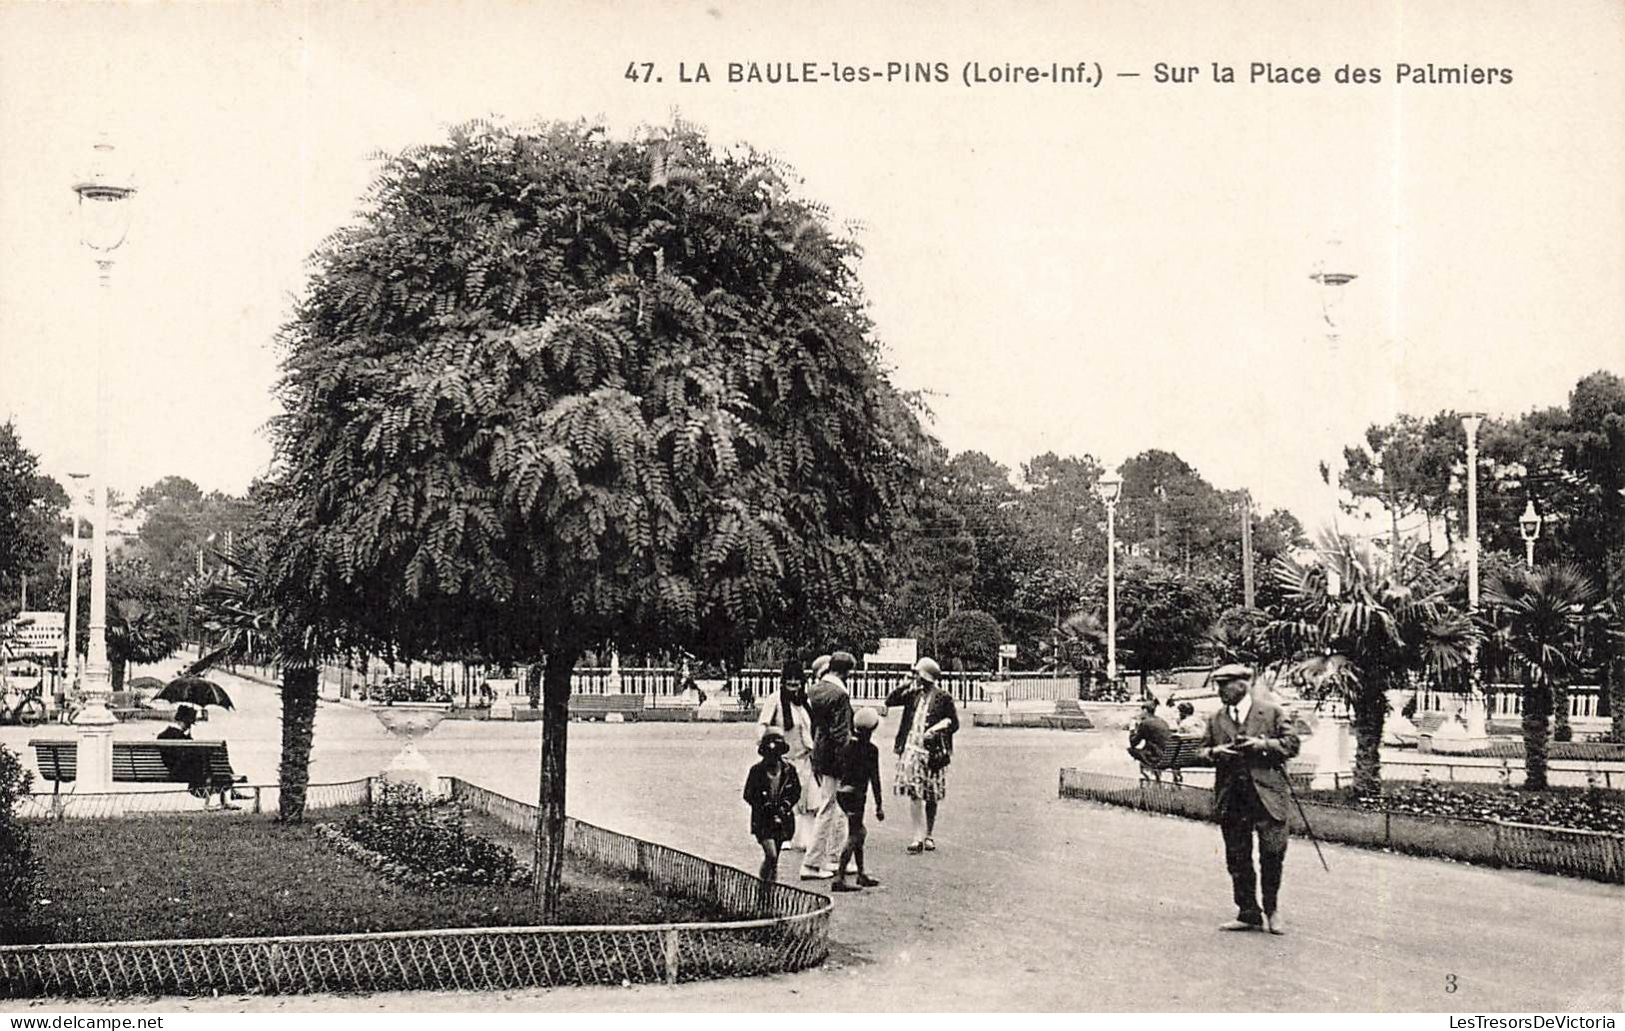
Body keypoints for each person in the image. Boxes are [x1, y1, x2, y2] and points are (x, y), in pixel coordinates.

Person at [1199, 663, 1300, 936]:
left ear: (1242, 685)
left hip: (1267, 795)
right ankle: (1248, 912)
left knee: (1272, 853)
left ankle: (1272, 910)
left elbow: (1292, 745)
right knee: (1237, 856)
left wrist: (1261, 746)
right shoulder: (1216, 718)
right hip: (1232, 797)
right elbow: (1202, 751)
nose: (1220, 691)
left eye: (1224, 685)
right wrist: (1217, 752)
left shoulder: (1271, 712)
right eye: (1217, 685)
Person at [890, 656, 959, 853]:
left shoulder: (943, 697)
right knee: (914, 792)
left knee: (931, 794)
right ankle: (917, 835)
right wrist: (904, 685)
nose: (916, 678)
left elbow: (953, 723)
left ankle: (928, 833)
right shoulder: (913, 694)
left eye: (918, 675)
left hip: (932, 751)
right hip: (912, 749)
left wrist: (938, 728)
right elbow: (890, 700)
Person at [800, 651, 855, 880]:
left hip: (819, 753)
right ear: (846, 672)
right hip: (835, 757)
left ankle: (833, 856)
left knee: (832, 806)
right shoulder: (840, 694)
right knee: (829, 807)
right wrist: (849, 761)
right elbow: (841, 732)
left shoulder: (814, 690)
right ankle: (812, 863)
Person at [757, 658, 817, 850]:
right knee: (783, 797)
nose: (793, 683)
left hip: (804, 758)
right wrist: (767, 745)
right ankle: (783, 835)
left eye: (797, 680)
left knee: (807, 800)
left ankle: (804, 838)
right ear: (783, 681)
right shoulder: (775, 700)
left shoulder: (805, 702)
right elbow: (763, 724)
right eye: (789, 679)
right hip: (783, 758)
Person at [832, 706, 885, 892]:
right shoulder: (871, 750)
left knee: (856, 831)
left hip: (843, 793)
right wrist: (879, 805)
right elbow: (875, 778)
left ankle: (861, 873)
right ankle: (839, 875)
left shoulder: (847, 747)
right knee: (857, 834)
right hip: (857, 795)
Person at [743, 728, 801, 888]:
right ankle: (762, 887)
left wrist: (786, 806)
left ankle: (770, 889)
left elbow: (796, 791)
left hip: (783, 819)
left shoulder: (789, 771)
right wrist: (764, 806)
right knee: (771, 855)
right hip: (763, 820)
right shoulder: (756, 771)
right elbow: (748, 794)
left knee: (775, 859)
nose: (773, 759)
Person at [158, 705, 240, 810]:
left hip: (172, 772)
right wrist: (188, 739)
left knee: (211, 763)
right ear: (184, 721)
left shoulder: (163, 735)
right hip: (184, 772)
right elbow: (188, 756)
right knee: (212, 762)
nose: (189, 726)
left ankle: (228, 792)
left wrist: (188, 738)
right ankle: (227, 794)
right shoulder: (181, 737)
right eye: (189, 723)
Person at [1127, 698, 1173, 776]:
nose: (1140, 713)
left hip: (1155, 757)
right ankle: (1154, 775)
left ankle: (1145, 775)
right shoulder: (1162, 721)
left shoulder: (1145, 723)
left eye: (1141, 710)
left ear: (1145, 710)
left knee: (1131, 750)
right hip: (1168, 756)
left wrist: (1132, 729)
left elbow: (1133, 743)